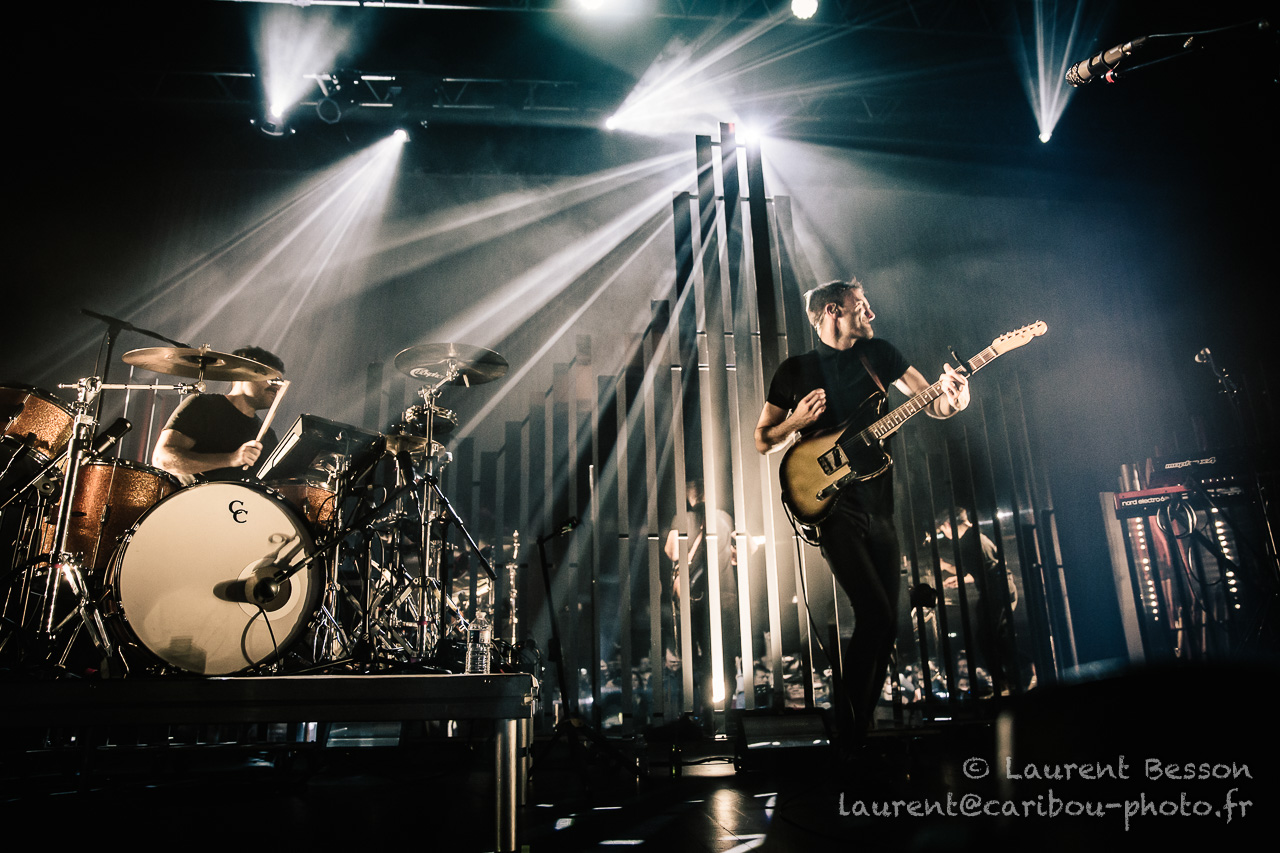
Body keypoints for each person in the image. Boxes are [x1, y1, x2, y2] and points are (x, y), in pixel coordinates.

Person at [754, 279, 969, 740]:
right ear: (834, 311)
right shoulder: (795, 370)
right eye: (861, 306)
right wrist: (796, 422)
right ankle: (849, 734)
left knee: (887, 624)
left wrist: (955, 397)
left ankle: (854, 732)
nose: (870, 313)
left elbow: (933, 403)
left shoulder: (881, 354)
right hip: (835, 510)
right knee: (873, 613)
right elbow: (763, 439)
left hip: (882, 509)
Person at [151, 346, 286, 484]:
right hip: (194, 496)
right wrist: (231, 459)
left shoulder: (268, 436)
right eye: (271, 379)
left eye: (280, 382)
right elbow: (162, 459)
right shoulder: (203, 406)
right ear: (241, 375)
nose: (277, 387)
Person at [663, 478, 738, 721]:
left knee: (701, 656)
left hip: (698, 598)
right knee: (725, 655)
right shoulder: (725, 517)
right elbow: (735, 554)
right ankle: (725, 711)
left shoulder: (683, 518)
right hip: (726, 594)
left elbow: (672, 552)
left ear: (691, 492)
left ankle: (706, 713)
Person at [935, 506, 1020, 694]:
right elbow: (984, 570)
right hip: (1000, 588)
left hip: (996, 591)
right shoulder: (976, 537)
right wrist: (961, 579)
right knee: (997, 635)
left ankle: (1008, 680)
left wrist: (948, 568)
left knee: (987, 637)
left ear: (948, 525)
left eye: (943, 530)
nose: (945, 535)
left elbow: (985, 571)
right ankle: (1011, 679)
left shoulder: (969, 541)